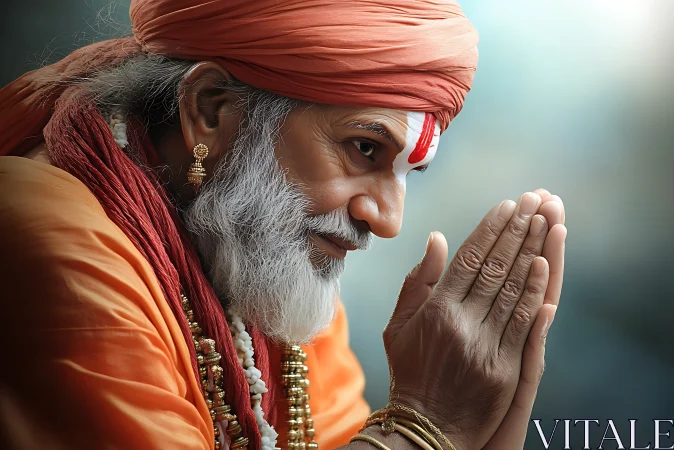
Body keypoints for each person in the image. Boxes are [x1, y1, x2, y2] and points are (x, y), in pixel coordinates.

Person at [0, 1, 567, 449]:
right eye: (364, 148)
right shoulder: (44, 235)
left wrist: (487, 417)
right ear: (211, 111)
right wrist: (424, 422)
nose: (389, 220)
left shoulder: (269, 273)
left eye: (408, 173)